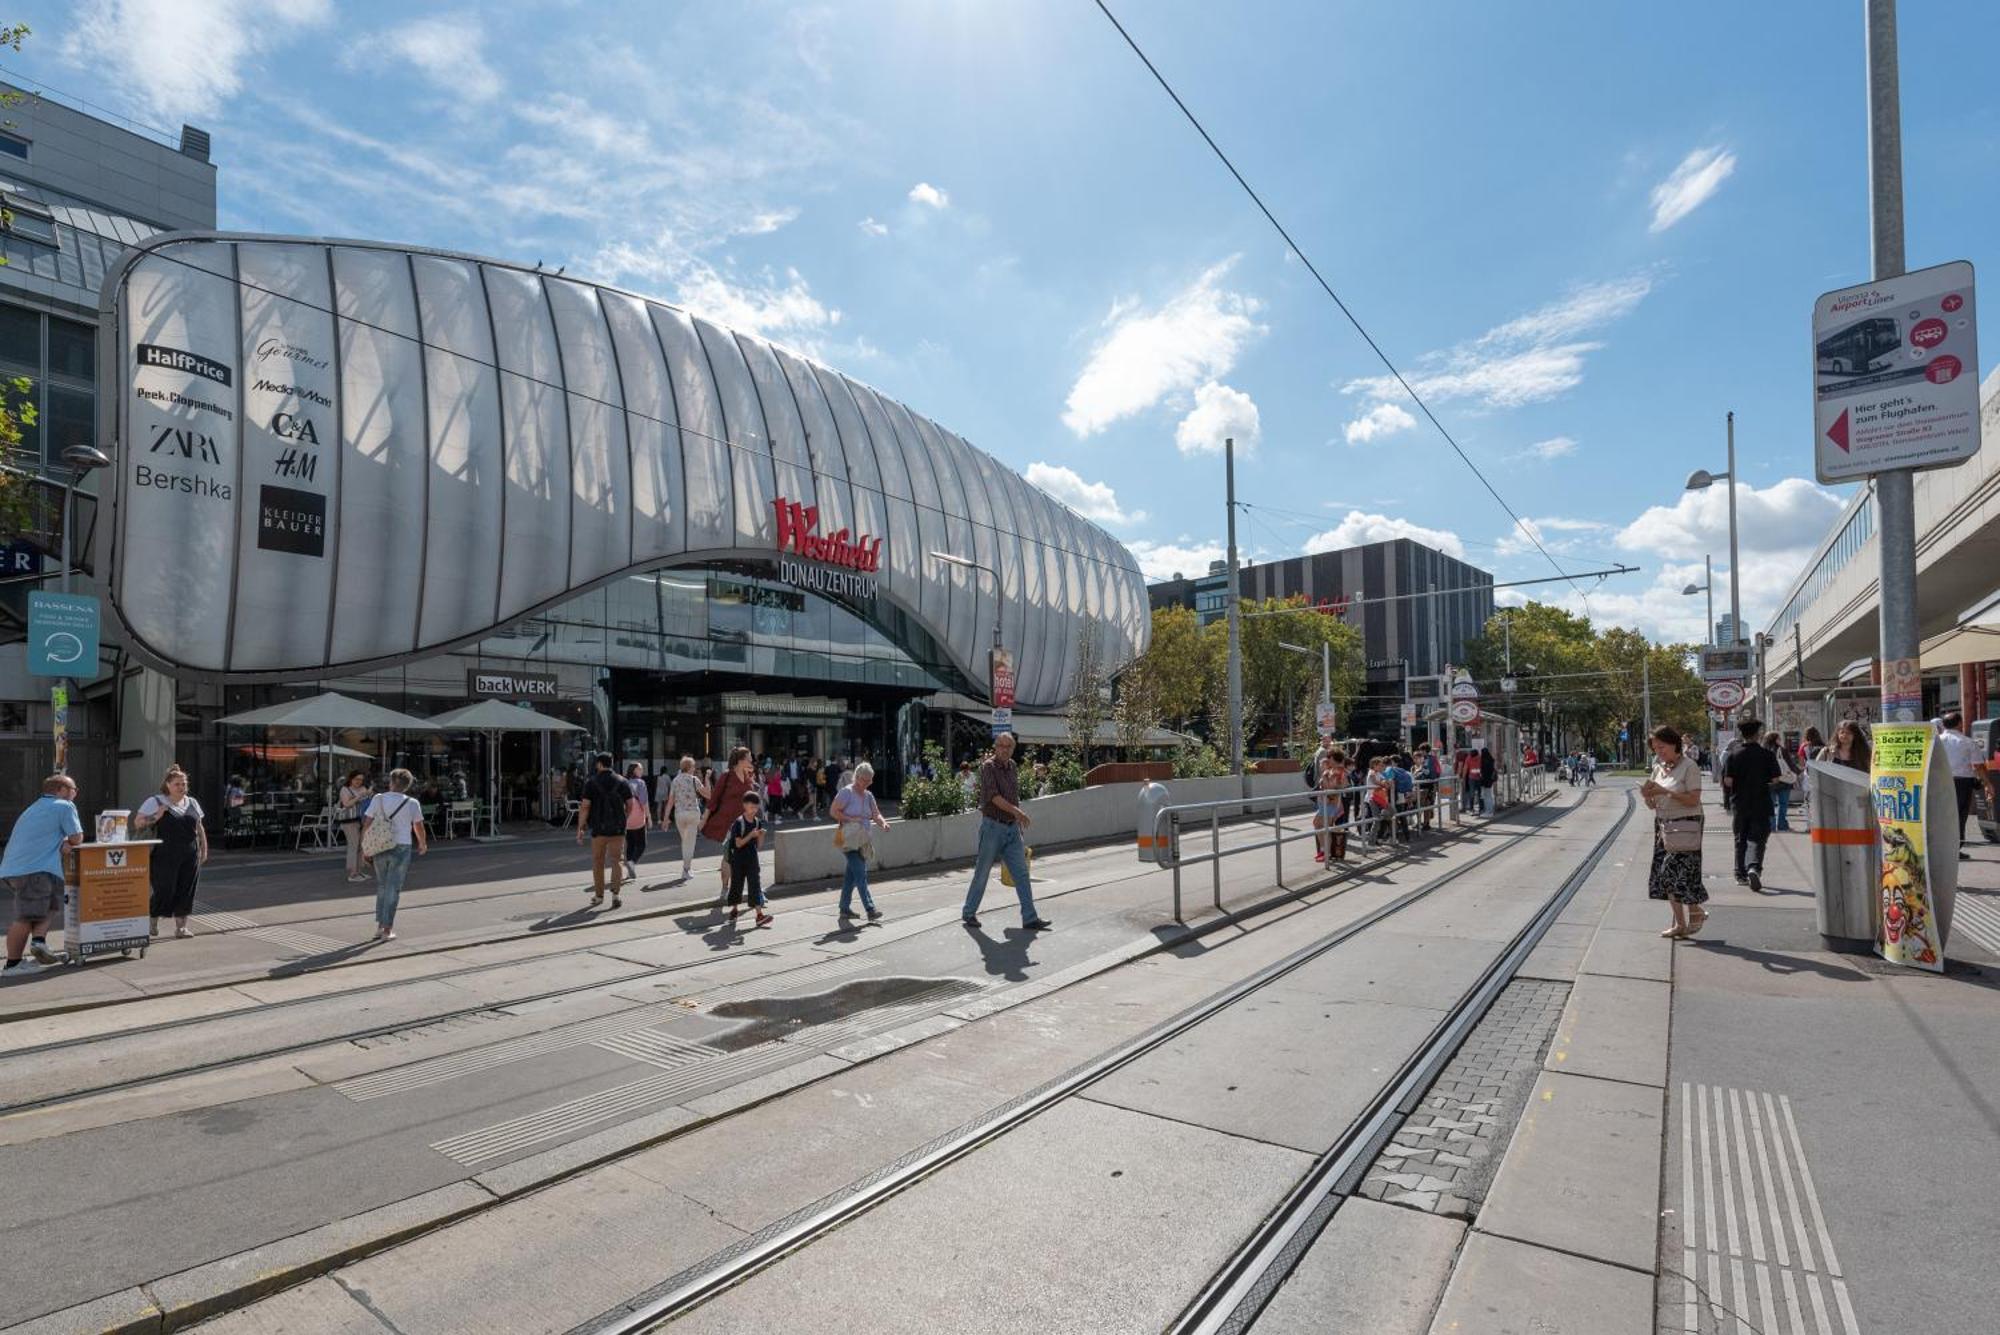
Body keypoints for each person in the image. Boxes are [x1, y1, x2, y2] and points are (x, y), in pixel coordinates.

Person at [961, 730, 1050, 931]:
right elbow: (993, 797)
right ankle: (968, 913)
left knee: (1022, 874)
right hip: (992, 827)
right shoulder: (988, 767)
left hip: (1011, 828)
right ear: (995, 747)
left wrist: (1016, 823)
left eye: (1008, 746)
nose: (1004, 749)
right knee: (982, 872)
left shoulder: (1012, 767)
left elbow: (1013, 796)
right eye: (1000, 745)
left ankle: (1030, 918)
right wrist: (1018, 813)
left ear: (1013, 749)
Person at [2, 774, 84, 978]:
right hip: (35, 869)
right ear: (61, 790)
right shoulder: (64, 806)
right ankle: (12, 965)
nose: (76, 793)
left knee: (50, 906)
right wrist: (68, 841)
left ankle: (39, 942)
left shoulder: (35, 807)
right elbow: (77, 837)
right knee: (26, 917)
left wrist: (62, 840)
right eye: (74, 789)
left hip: (20, 868)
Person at [1642, 725, 1707, 938]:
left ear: (1674, 744)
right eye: (1655, 748)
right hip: (1663, 825)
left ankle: (1695, 912)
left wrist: (1665, 791)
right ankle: (1682, 923)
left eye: (1662, 747)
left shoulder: (1689, 766)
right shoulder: (1658, 767)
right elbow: (1653, 805)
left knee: (1679, 874)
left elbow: (1693, 799)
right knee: (1665, 877)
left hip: (1686, 824)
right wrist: (1648, 796)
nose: (1659, 752)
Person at [132, 765, 209, 938]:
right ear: (168, 785)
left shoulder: (192, 802)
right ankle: (152, 918)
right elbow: (137, 823)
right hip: (163, 855)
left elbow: (199, 827)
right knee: (164, 890)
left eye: (184, 784)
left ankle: (181, 928)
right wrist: (157, 816)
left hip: (190, 854)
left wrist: (204, 849)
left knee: (186, 889)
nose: (181, 787)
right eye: (177, 784)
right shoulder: (155, 801)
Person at [361, 769, 426, 941]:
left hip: (380, 845)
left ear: (391, 782)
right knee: (393, 888)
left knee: (383, 885)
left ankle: (380, 926)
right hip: (402, 846)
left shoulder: (378, 799)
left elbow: (367, 822)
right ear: (408, 785)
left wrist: (364, 848)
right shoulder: (412, 803)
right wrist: (422, 843)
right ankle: (387, 929)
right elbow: (418, 826)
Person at [1721, 722, 1779, 892]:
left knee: (1740, 838)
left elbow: (1728, 780)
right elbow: (1775, 779)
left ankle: (1740, 874)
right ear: (1758, 734)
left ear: (1742, 734)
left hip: (1740, 802)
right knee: (1759, 837)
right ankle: (1754, 867)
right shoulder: (1767, 754)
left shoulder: (1733, 754)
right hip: (1761, 801)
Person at [831, 761, 889, 923]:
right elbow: (833, 811)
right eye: (865, 780)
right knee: (861, 874)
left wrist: (883, 823)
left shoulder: (869, 795)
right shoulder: (846, 792)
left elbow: (876, 814)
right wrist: (850, 818)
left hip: (863, 840)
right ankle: (870, 909)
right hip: (848, 840)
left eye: (870, 780)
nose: (867, 783)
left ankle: (844, 909)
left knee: (852, 876)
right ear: (857, 777)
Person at [702, 747, 756, 897]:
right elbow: (714, 799)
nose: (751, 761)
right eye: (749, 758)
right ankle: (725, 888)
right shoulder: (727, 776)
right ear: (740, 760)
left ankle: (749, 889)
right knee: (729, 856)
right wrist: (704, 819)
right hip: (729, 824)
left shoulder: (748, 775)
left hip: (746, 823)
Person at [725, 791, 773, 928]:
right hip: (738, 859)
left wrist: (761, 836)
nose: (754, 810)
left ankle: (759, 915)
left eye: (756, 808)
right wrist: (751, 835)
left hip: (752, 858)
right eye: (752, 807)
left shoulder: (757, 822)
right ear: (745, 806)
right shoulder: (739, 823)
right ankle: (734, 910)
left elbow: (758, 845)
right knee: (737, 885)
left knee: (755, 885)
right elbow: (738, 843)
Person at [1937, 712, 1981, 860]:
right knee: (1959, 816)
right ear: (1960, 723)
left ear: (1943, 725)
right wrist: (1987, 784)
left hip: (1940, 782)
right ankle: (1955, 848)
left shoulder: (1935, 741)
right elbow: (1979, 766)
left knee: (1942, 815)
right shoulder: (1967, 742)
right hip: (1962, 783)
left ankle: (1941, 848)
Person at [661, 756, 708, 880]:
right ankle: (686, 870)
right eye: (693, 766)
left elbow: (670, 801)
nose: (694, 768)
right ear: (689, 767)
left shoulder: (675, 780)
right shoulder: (694, 779)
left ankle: (687, 868)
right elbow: (708, 794)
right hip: (693, 813)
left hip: (679, 814)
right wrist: (707, 778)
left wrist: (666, 818)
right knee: (689, 843)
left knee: (685, 842)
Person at [335, 770, 373, 883]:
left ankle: (359, 871)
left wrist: (369, 794)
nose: (359, 782)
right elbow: (346, 804)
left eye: (361, 779)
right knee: (353, 845)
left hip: (362, 820)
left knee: (361, 846)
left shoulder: (363, 788)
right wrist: (360, 796)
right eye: (356, 779)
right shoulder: (345, 789)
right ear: (351, 779)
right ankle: (352, 873)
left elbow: (368, 802)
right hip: (349, 821)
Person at [621, 761, 651, 876]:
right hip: (638, 817)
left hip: (626, 817)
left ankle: (629, 870)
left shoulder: (624, 782)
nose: (642, 771)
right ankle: (632, 863)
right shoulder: (640, 783)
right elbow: (644, 802)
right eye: (640, 769)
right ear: (634, 770)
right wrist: (649, 817)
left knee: (631, 844)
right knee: (642, 844)